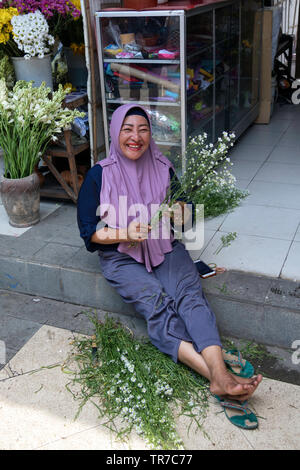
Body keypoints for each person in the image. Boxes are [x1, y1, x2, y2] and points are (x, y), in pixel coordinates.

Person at [77, 104, 262, 404]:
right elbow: (89, 233)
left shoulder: (163, 167)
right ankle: (217, 376)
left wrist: (181, 214)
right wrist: (125, 233)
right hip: (121, 256)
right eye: (127, 129)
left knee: (190, 297)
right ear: (115, 132)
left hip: (165, 247)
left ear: (151, 133)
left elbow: (186, 214)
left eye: (143, 129)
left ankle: (218, 372)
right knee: (158, 304)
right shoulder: (99, 175)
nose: (135, 137)